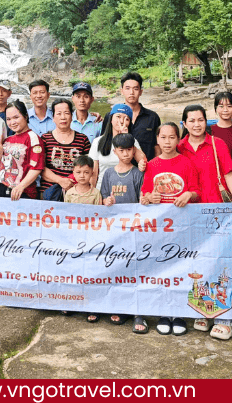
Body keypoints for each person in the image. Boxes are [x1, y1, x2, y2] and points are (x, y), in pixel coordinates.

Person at [178, 104, 232, 341]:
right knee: (198, 262)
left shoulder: (217, 144)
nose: (196, 124)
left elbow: (228, 174)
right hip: (190, 214)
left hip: (217, 210)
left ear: (207, 122)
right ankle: (204, 308)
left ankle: (227, 318)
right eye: (191, 120)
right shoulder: (179, 147)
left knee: (222, 262)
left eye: (201, 120)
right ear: (184, 123)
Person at [141, 122, 199, 336]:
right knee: (162, 269)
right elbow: (145, 194)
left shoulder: (186, 163)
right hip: (160, 228)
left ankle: (180, 313)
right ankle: (164, 312)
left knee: (181, 269)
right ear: (157, 139)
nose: (167, 142)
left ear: (178, 139)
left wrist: (189, 195)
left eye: (172, 137)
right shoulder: (153, 165)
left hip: (182, 225)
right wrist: (149, 197)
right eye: (163, 137)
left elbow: (196, 190)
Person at [99, 133, 147, 333]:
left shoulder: (137, 173)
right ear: (114, 151)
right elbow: (102, 197)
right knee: (118, 268)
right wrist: (106, 202)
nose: (126, 154)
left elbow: (142, 199)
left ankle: (139, 311)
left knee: (135, 269)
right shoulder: (109, 174)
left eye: (129, 150)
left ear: (133, 151)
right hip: (114, 230)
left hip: (133, 229)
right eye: (122, 150)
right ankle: (120, 305)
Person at [100, 72, 161, 161]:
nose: (131, 92)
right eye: (127, 88)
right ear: (122, 91)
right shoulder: (111, 116)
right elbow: (104, 141)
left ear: (140, 92)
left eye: (135, 89)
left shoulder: (152, 117)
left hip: (145, 168)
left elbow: (157, 147)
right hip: (118, 169)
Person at [39, 98, 91, 200]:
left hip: (77, 193)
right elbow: (41, 168)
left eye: (66, 113)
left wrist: (71, 181)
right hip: (49, 193)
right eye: (59, 114)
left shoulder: (82, 139)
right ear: (53, 117)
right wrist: (61, 181)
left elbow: (88, 167)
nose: (63, 117)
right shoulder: (45, 139)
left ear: (72, 116)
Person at [0, 99, 45, 199]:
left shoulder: (33, 138)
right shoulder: (8, 139)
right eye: (8, 119)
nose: (12, 122)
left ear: (25, 116)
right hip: (3, 189)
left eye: (16, 117)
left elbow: (36, 168)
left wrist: (20, 187)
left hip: (23, 193)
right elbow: (3, 166)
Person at [89, 103, 147, 188]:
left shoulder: (133, 141)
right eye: (118, 117)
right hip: (102, 188)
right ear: (111, 119)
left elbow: (143, 161)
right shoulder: (98, 142)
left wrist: (127, 139)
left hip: (126, 189)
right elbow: (93, 173)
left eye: (126, 119)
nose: (121, 121)